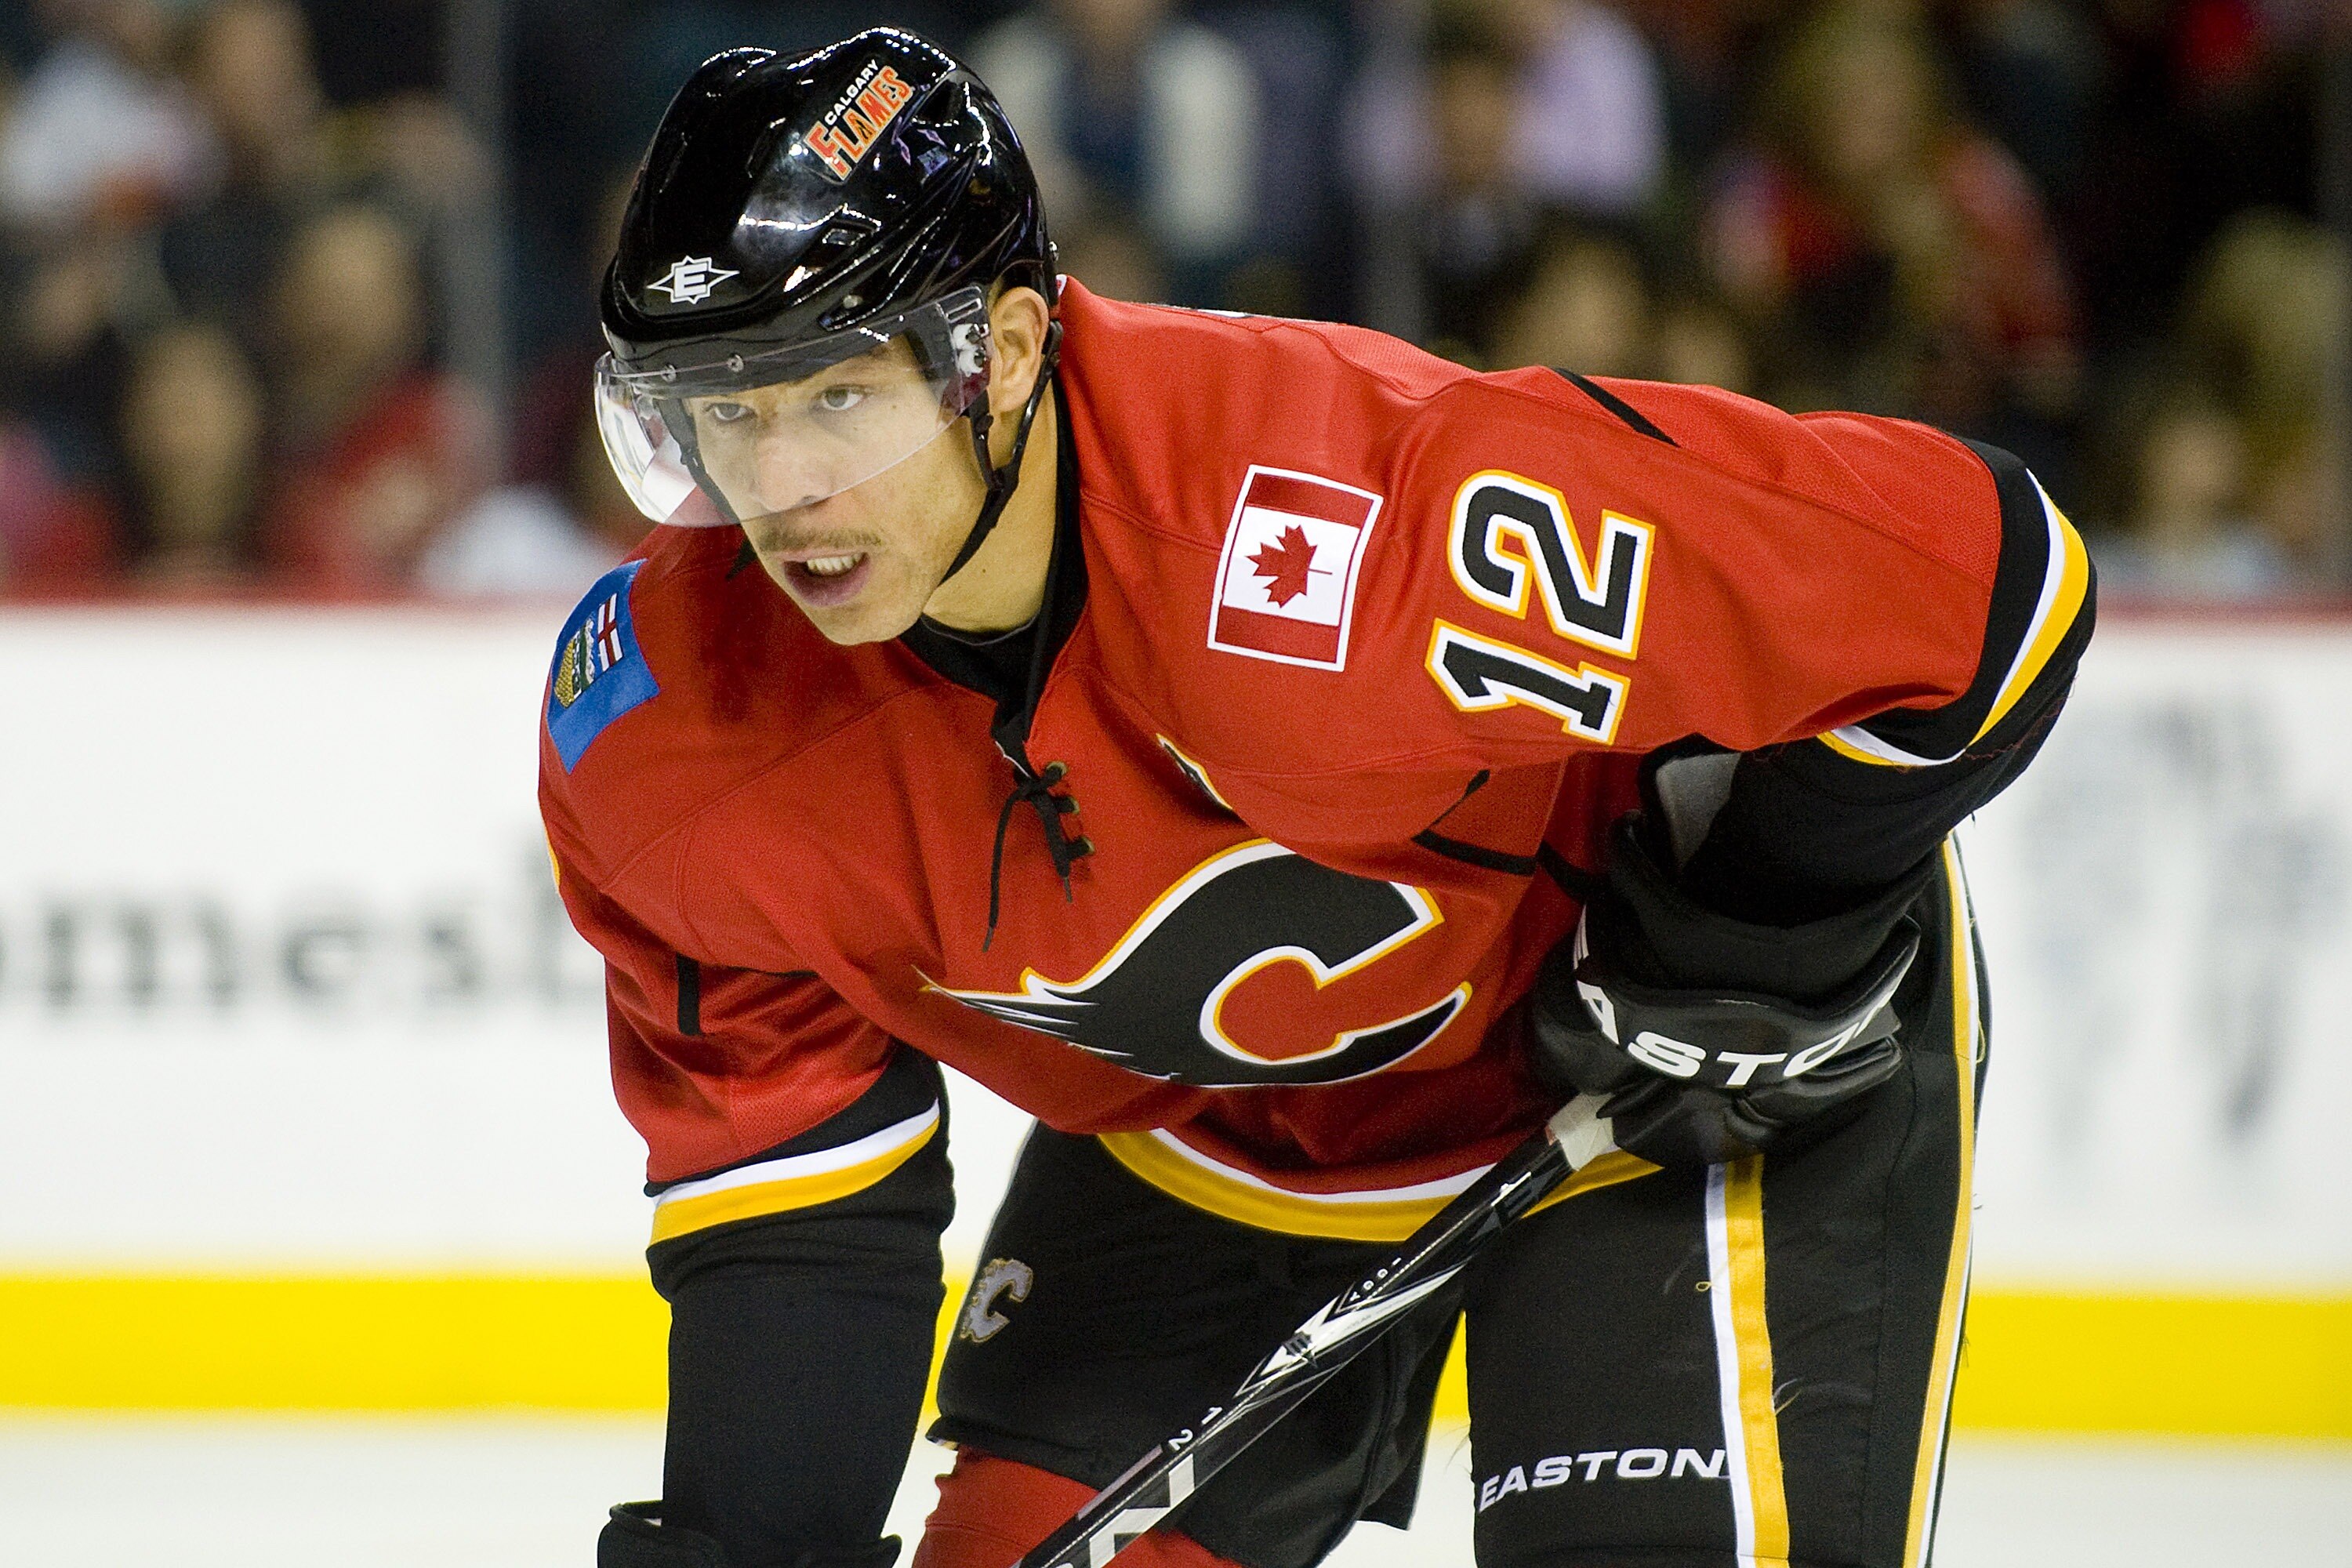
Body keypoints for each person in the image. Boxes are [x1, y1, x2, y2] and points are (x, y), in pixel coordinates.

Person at [542, 31, 2093, 1568]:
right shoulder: (672, 737)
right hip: (1217, 1132)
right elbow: (798, 1215)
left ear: (1006, 351)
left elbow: (1993, 583)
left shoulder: (1351, 522)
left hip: (1672, 1079)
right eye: (725, 411)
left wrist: (1761, 921)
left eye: (834, 400)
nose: (784, 492)